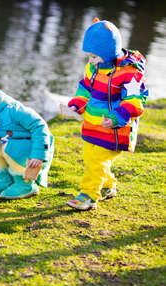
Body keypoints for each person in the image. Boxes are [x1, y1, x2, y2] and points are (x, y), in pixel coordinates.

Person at [66, 18, 148, 210]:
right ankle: (107, 185)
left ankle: (88, 196)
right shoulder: (93, 68)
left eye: (94, 56)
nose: (91, 60)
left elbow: (135, 101)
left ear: (109, 52)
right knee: (90, 157)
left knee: (97, 160)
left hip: (115, 129)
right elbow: (85, 88)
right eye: (89, 56)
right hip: (92, 125)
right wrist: (77, 104)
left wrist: (116, 118)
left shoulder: (129, 73)